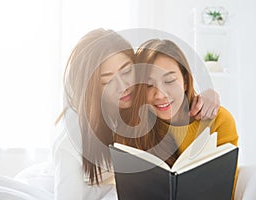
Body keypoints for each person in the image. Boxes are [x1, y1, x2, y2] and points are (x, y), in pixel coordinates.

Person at [53, 29, 221, 200]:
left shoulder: (142, 105)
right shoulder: (72, 139)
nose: (123, 86)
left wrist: (207, 95)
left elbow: (174, 95)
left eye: (127, 71)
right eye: (107, 80)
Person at [116, 38, 239, 194]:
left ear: (185, 81)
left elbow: (227, 189)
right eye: (148, 85)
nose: (160, 95)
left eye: (169, 80)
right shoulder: (133, 127)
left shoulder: (219, 120)